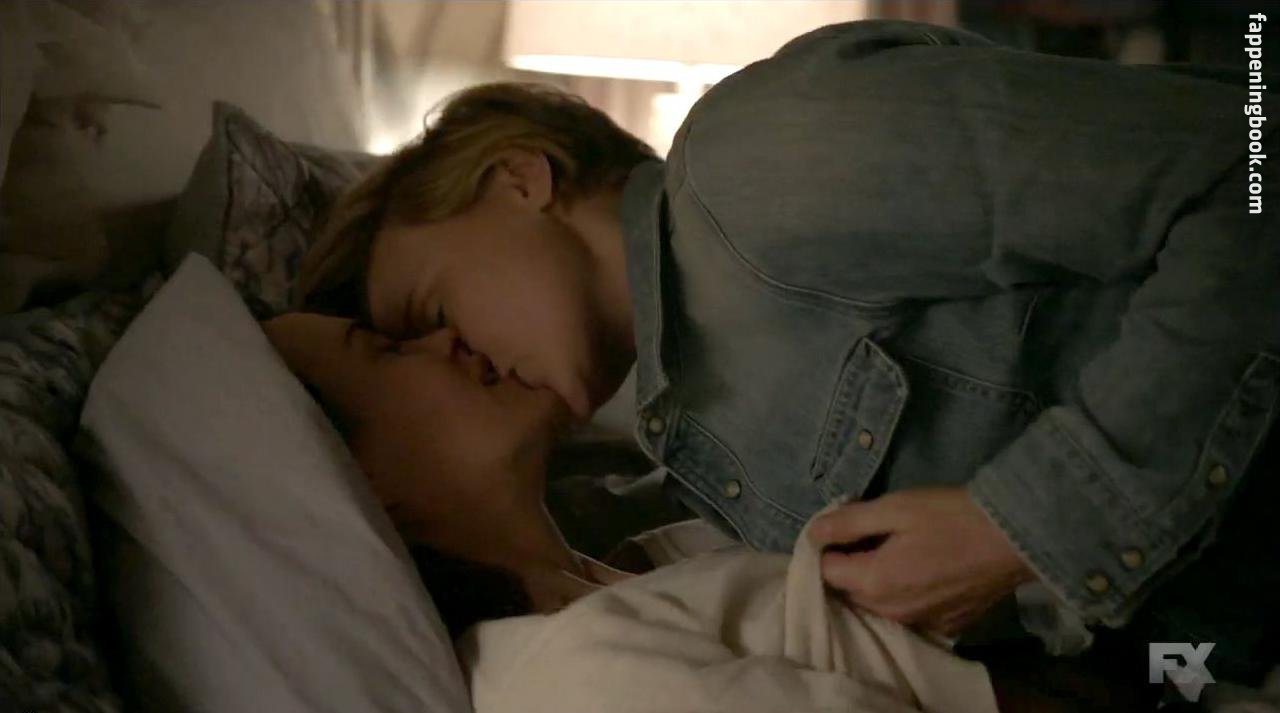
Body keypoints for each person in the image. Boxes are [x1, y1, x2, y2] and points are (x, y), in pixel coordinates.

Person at [296, 19, 1280, 688]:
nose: (448, 355)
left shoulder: (754, 165)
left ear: (516, 179)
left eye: (430, 308)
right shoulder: (683, 461)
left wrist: (1018, 525)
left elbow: (1246, 160)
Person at [263, 311, 1131, 713]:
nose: (445, 335)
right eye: (387, 351)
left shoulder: (647, 556)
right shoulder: (557, 686)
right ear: (356, 488)